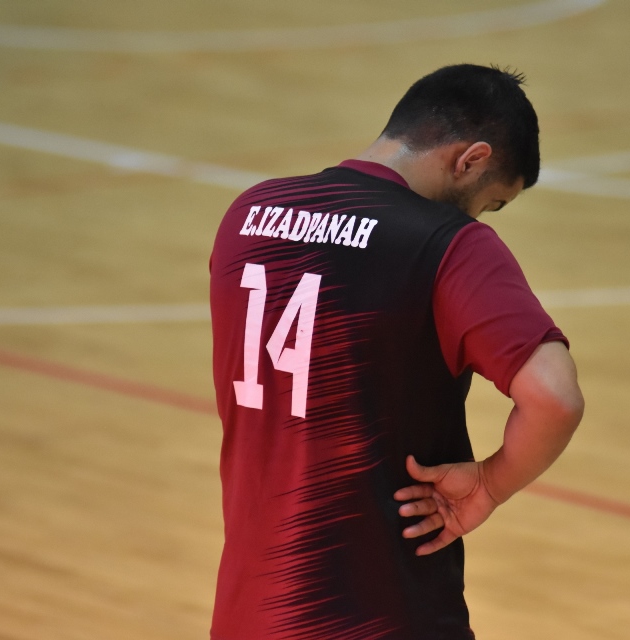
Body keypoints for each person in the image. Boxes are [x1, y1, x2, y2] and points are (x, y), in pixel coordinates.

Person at [208, 64, 584, 640]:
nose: (478, 217)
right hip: (383, 613)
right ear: (471, 160)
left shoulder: (250, 213)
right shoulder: (447, 244)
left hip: (251, 610)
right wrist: (490, 484)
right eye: (491, 202)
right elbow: (555, 398)